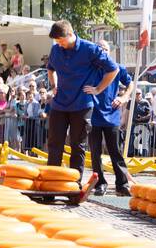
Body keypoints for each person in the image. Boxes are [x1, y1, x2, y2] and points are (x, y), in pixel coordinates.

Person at [45, 21, 119, 175]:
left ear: (70, 35)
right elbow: (50, 69)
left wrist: (98, 89)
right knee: (54, 144)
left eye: (61, 40)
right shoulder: (55, 50)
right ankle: (50, 183)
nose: (59, 44)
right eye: (57, 41)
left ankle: (74, 184)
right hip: (59, 104)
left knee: (77, 145)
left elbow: (113, 69)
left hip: (82, 105)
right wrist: (53, 85)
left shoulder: (90, 49)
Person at [87, 40, 133, 196]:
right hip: (93, 114)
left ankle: (122, 184)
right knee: (95, 151)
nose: (103, 51)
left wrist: (124, 97)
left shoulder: (117, 68)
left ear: (109, 51)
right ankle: (100, 183)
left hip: (112, 113)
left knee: (115, 150)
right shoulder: (90, 68)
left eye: (105, 49)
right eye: (99, 49)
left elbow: (130, 83)